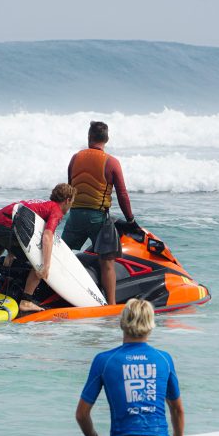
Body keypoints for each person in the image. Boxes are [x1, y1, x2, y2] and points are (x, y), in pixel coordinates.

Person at [75, 298, 184, 436]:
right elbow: (177, 409)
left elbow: (82, 414)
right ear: (151, 325)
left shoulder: (104, 360)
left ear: (122, 322)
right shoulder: (164, 359)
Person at [63, 121, 139, 305]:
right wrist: (131, 219)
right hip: (98, 217)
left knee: (62, 254)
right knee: (107, 262)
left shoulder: (75, 158)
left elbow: (69, 187)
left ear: (89, 137)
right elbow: (122, 194)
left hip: (75, 215)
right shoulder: (112, 162)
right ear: (107, 139)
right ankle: (111, 305)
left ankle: (53, 293)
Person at [0, 183, 76, 312]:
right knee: (38, 264)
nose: (71, 205)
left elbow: (19, 217)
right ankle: (26, 302)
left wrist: (10, 251)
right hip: (6, 229)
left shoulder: (42, 204)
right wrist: (46, 265)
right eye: (72, 201)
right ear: (67, 200)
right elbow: (47, 236)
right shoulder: (56, 210)